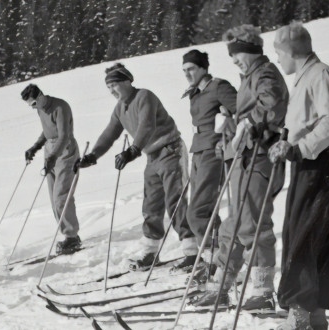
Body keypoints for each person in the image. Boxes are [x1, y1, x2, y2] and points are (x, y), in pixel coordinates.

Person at [190, 24, 289, 311]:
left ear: (250, 51)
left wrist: (251, 122)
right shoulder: (250, 76)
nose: (234, 60)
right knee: (232, 224)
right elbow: (247, 116)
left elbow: (271, 102)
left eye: (237, 55)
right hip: (244, 155)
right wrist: (230, 135)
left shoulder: (265, 72)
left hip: (259, 155)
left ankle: (262, 289)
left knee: (254, 224)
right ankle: (221, 284)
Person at [75, 63, 197, 271]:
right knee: (151, 205)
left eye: (114, 85)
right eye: (108, 88)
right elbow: (109, 134)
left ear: (127, 81)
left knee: (175, 202)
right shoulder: (119, 108)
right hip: (151, 156)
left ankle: (192, 252)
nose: (112, 91)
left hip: (170, 151)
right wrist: (93, 155)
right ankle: (150, 252)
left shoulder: (144, 96)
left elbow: (146, 125)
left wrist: (133, 150)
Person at [268, 22, 329, 330]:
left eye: (278, 53)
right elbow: (305, 124)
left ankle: (300, 315)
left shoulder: (321, 75)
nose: (277, 60)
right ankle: (314, 316)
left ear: (290, 51)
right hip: (307, 167)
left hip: (322, 167)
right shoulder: (303, 80)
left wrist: (299, 148)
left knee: (305, 240)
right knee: (301, 237)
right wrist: (286, 145)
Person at [180, 49, 238, 273]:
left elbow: (242, 112)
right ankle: (217, 259)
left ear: (204, 68)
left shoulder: (218, 87)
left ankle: (217, 260)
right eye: (184, 70)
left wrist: (229, 134)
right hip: (198, 151)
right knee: (207, 209)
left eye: (191, 69)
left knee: (197, 213)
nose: (187, 73)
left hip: (214, 152)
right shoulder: (195, 92)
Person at [22, 84, 82, 255]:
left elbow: (64, 135)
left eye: (34, 103)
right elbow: (47, 131)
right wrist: (35, 147)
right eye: (30, 105)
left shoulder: (60, 106)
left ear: (40, 96)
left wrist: (53, 157)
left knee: (61, 197)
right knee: (53, 196)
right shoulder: (40, 110)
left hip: (65, 151)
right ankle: (68, 235)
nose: (33, 107)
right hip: (51, 150)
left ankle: (72, 236)